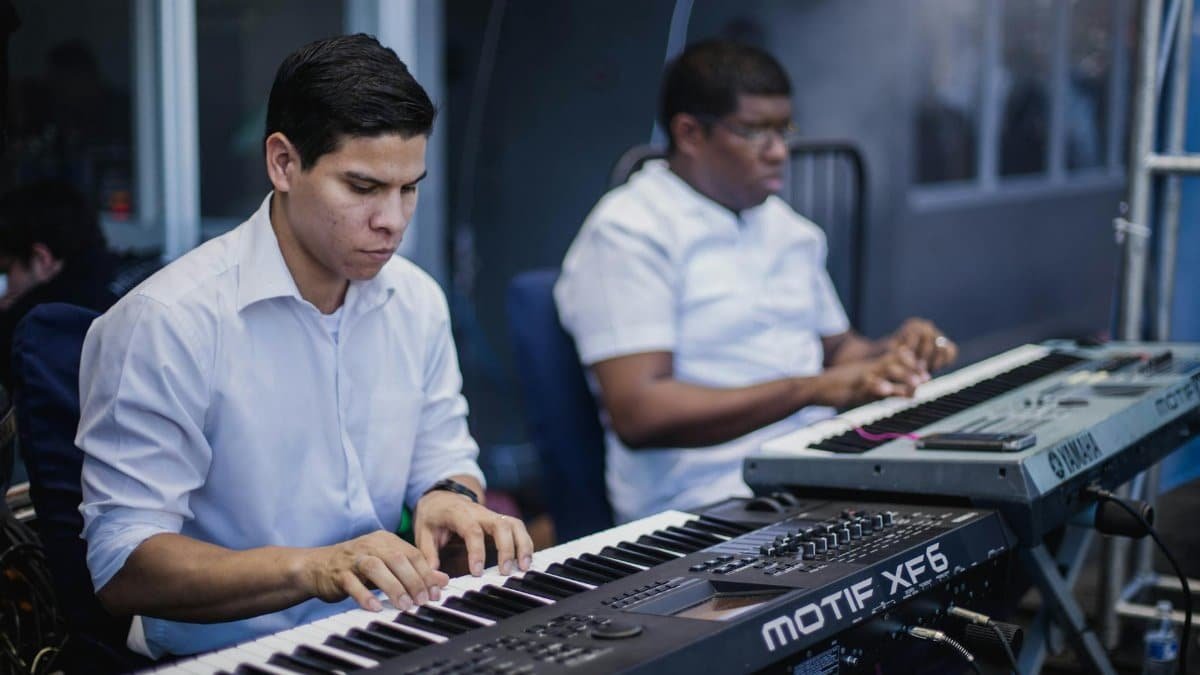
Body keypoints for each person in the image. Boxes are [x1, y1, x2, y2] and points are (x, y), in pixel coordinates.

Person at [76, 34, 533, 659]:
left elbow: (446, 458)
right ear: (283, 163)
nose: (394, 221)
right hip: (229, 656)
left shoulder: (417, 299)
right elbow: (123, 565)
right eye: (364, 187)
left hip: (393, 634)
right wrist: (311, 568)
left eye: (409, 189)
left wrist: (450, 500)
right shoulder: (166, 323)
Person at [555, 40, 959, 523]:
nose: (779, 152)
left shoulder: (786, 226)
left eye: (783, 130)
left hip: (815, 466)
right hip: (703, 499)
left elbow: (837, 351)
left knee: (987, 511)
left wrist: (895, 352)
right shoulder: (630, 230)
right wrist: (812, 389)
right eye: (754, 132)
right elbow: (641, 411)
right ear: (689, 133)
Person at [0, 179, 116, 391]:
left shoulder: (28, 329)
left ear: (42, 259)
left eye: (6, 271)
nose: (5, 286)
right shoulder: (130, 293)